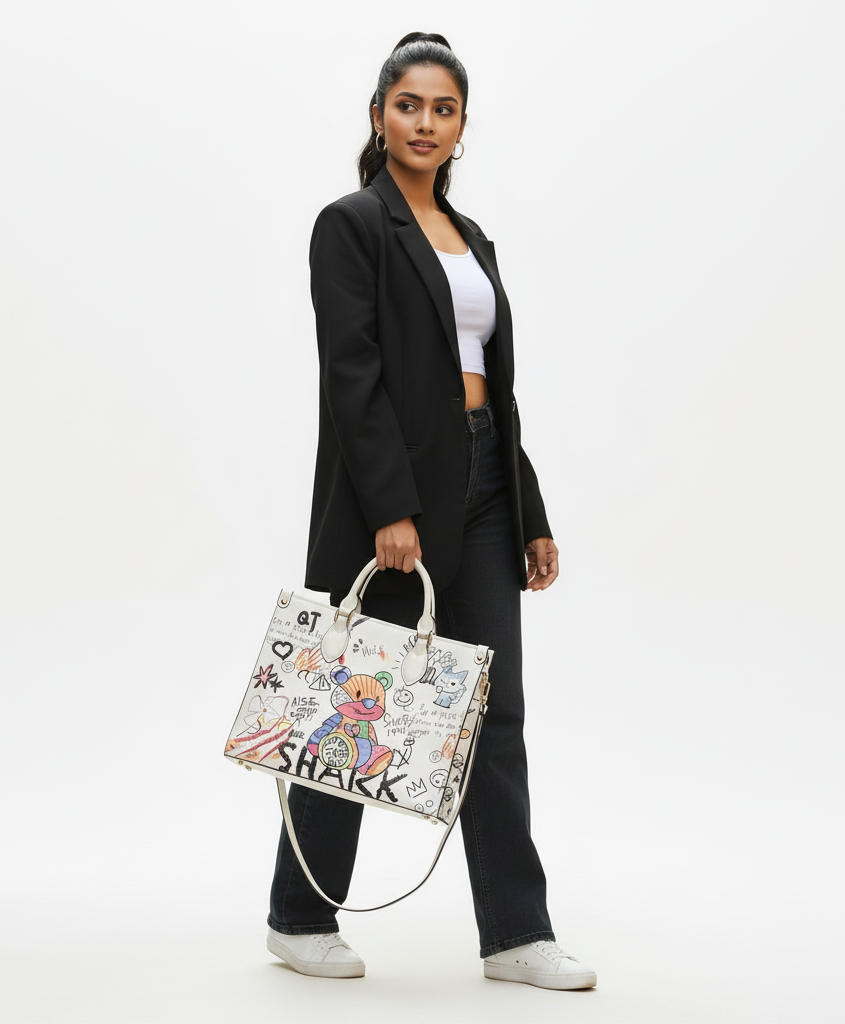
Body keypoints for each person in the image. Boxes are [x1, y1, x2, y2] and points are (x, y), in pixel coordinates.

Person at [265, 32, 597, 991]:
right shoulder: (351, 225)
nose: (425, 123)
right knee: (356, 698)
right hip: (396, 495)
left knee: (494, 707)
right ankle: (299, 917)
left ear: (461, 126)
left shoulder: (472, 236)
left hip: (487, 481)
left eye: (443, 109)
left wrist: (530, 511)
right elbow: (353, 376)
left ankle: (517, 935)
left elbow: (493, 386)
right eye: (408, 105)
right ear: (378, 117)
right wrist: (392, 506)